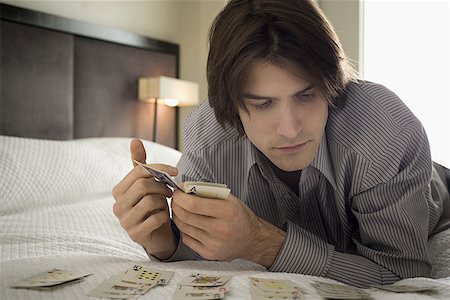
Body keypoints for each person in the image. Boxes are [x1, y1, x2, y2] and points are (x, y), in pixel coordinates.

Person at [112, 0, 450, 288]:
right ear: (230, 105)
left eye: (307, 95)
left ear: (332, 85)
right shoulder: (208, 137)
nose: (290, 129)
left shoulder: (385, 129)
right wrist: (164, 244)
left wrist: (264, 244)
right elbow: (201, 251)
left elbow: (401, 280)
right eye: (262, 104)